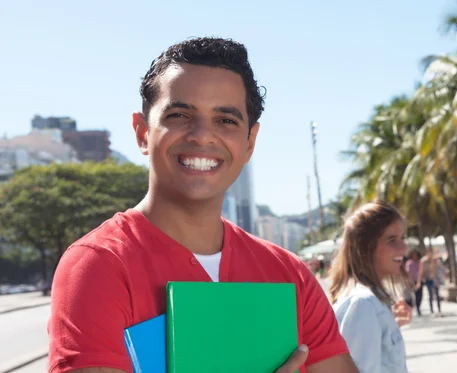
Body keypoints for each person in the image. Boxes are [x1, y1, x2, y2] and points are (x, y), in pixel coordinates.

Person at [47, 37, 359, 373]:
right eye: (179, 114)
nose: (202, 135)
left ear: (249, 141)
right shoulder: (98, 267)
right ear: (142, 133)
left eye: (226, 120)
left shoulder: (288, 274)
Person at [329, 201, 412, 373]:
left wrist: (387, 327)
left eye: (402, 238)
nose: (404, 248)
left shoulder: (369, 303)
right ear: (365, 247)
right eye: (391, 240)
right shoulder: (363, 304)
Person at [417, 248, 442, 316]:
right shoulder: (423, 261)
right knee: (430, 295)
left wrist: (437, 280)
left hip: (434, 279)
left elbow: (435, 271)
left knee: (437, 294)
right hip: (427, 279)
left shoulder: (434, 260)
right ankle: (432, 310)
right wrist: (419, 282)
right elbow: (421, 271)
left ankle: (439, 310)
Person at [405, 249, 423, 316]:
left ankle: (418, 308)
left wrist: (419, 282)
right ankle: (411, 308)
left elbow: (421, 272)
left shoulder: (420, 262)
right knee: (410, 297)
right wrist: (409, 282)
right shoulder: (409, 263)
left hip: (419, 281)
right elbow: (408, 273)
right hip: (411, 281)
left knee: (419, 296)